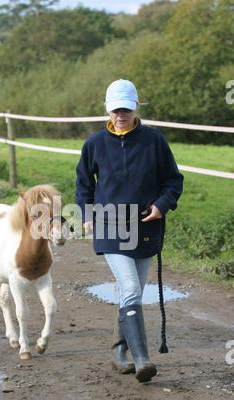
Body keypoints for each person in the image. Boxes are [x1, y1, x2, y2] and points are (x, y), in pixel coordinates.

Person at [76, 79, 184, 383]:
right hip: (109, 226)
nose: (120, 115)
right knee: (133, 290)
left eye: (125, 108)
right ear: (107, 110)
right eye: (115, 110)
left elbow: (173, 181)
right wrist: (87, 215)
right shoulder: (94, 143)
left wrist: (163, 205)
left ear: (136, 107)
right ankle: (142, 360)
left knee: (130, 292)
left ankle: (119, 349)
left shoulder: (155, 141)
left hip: (146, 228)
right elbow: (84, 184)